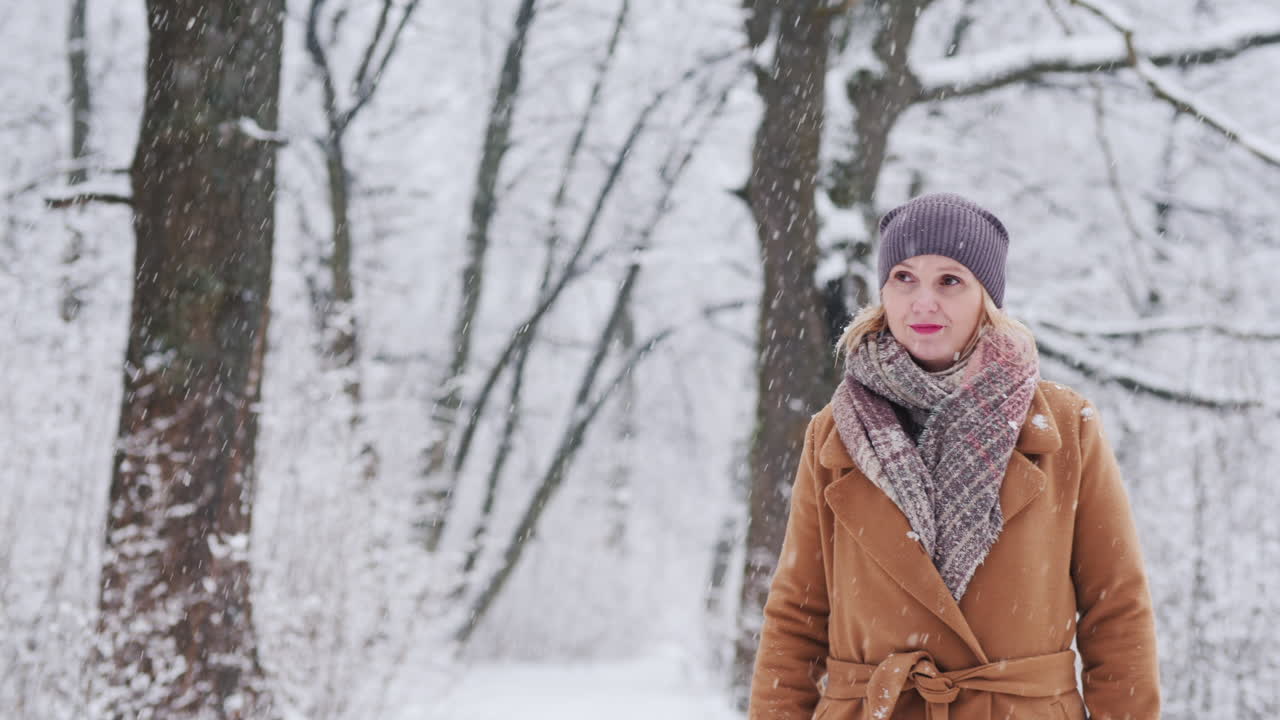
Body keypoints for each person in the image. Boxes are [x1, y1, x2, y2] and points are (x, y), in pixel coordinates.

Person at [746, 193, 1160, 720]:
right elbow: (796, 618)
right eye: (903, 277)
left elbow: (1116, 609)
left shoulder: (1063, 427)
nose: (923, 302)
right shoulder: (835, 433)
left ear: (986, 297)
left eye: (949, 281)